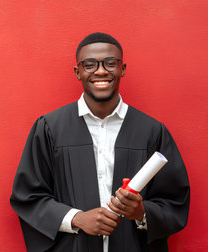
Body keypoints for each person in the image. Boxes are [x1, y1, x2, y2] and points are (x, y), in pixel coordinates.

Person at [10, 32, 190, 252]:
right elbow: (29, 197)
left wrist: (141, 213)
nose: (101, 70)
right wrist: (77, 219)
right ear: (78, 72)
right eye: (90, 65)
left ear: (122, 69)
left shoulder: (151, 131)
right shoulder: (50, 128)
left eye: (110, 63)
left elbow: (174, 201)